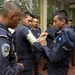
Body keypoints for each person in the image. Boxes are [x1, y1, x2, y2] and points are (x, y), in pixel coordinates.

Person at [38, 10, 75, 75]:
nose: (53, 24)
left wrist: (44, 45)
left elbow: (53, 57)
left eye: (55, 21)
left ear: (63, 21)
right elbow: (58, 40)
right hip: (61, 68)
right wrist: (48, 35)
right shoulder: (68, 31)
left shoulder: (64, 34)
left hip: (57, 70)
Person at [0, 1, 24, 75]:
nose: (19, 23)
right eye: (19, 19)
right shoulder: (2, 38)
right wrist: (19, 67)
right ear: (12, 16)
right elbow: (5, 72)